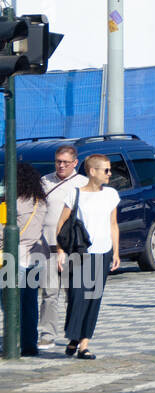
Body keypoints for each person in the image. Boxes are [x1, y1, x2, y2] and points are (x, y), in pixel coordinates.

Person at [54, 153, 120, 359]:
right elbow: (62, 223)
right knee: (76, 296)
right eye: (106, 170)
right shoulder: (75, 194)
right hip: (80, 253)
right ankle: (73, 336)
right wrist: (60, 251)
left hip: (103, 251)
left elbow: (113, 224)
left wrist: (116, 251)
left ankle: (83, 344)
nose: (110, 174)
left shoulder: (111, 194)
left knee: (93, 298)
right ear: (93, 172)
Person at [40, 145, 87, 351]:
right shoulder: (45, 181)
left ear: (75, 163)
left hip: (72, 249)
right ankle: (47, 335)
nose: (60, 165)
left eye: (65, 162)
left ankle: (73, 335)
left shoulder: (84, 184)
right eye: (58, 161)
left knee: (73, 295)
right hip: (47, 247)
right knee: (49, 294)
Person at [17, 162, 55, 357]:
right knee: (30, 301)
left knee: (11, 300)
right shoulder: (40, 202)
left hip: (16, 256)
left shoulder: (13, 203)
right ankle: (29, 344)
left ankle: (14, 338)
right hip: (37, 255)